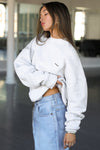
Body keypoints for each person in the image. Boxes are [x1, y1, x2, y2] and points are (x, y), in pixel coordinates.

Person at [14, 1, 88, 150]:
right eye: (40, 15)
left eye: (45, 14)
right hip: (39, 107)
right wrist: (48, 78)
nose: (41, 18)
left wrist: (71, 129)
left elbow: (77, 89)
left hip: (54, 107)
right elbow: (19, 65)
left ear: (58, 17)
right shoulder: (38, 42)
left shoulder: (67, 49)